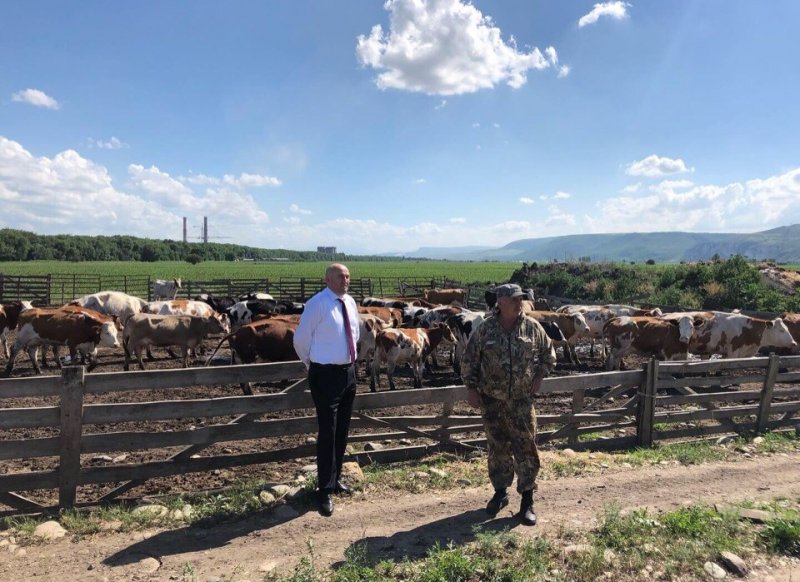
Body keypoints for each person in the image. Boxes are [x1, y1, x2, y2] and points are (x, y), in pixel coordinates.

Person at [461, 283, 556, 525]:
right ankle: (500, 492)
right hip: (492, 402)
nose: (519, 303)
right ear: (500, 302)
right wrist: (471, 389)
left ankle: (527, 500)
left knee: (526, 449)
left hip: (521, 402)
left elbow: (549, 354)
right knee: (498, 448)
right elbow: (469, 360)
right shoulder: (485, 330)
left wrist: (540, 376)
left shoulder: (532, 328)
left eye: (521, 298)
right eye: (514, 299)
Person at [293, 263, 360, 516]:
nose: (346, 280)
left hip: (348, 373)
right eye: (341, 276)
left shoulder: (350, 302)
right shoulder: (317, 304)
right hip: (325, 374)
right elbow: (300, 339)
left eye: (348, 276)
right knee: (328, 430)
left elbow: (353, 334)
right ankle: (323, 489)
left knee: (342, 429)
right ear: (328, 279)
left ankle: (336, 479)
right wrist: (313, 363)